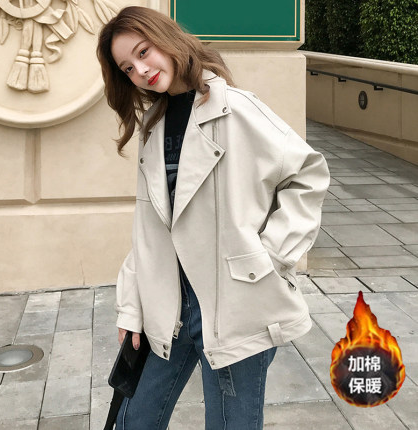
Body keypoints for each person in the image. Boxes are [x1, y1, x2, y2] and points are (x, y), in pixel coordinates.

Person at [97, 6, 330, 430]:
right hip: (168, 303)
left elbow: (307, 174)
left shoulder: (236, 109)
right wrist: (131, 306)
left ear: (167, 40)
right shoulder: (153, 126)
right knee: (135, 420)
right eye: (128, 67)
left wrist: (270, 257)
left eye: (144, 52)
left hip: (234, 303)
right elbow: (150, 226)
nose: (141, 70)